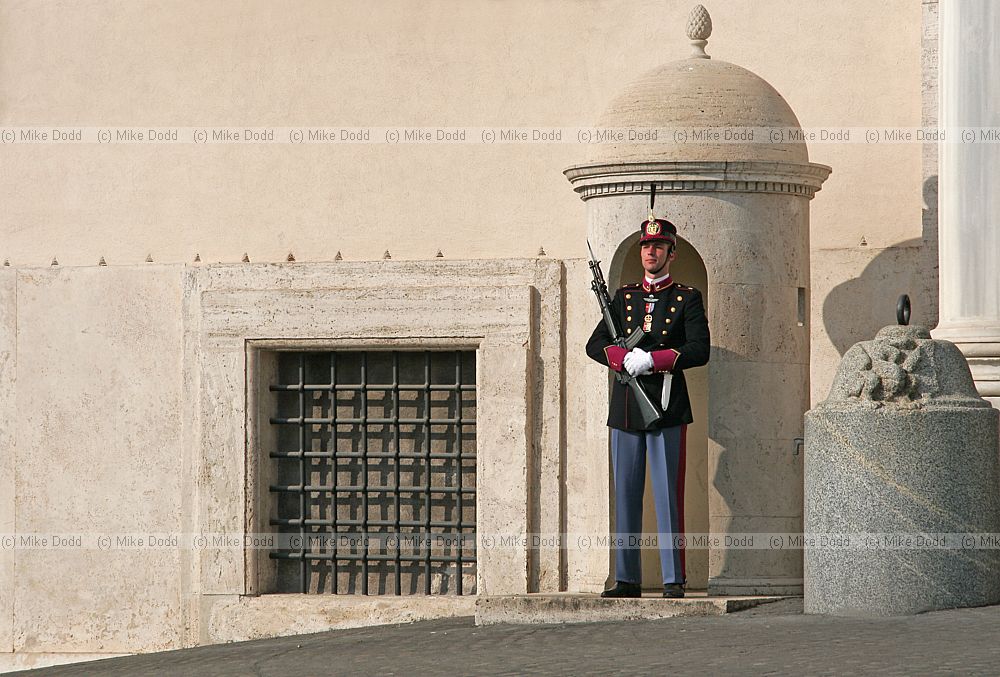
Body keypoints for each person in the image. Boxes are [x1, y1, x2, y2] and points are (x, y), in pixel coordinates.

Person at [585, 213, 710, 598]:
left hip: (667, 404)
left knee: (668, 494)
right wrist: (622, 359)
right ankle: (627, 578)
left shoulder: (686, 297)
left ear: (671, 253)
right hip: (627, 406)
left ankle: (674, 579)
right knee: (626, 492)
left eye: (657, 246)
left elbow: (699, 350)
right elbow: (595, 344)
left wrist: (653, 360)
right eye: (645, 246)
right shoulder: (623, 297)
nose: (650, 252)